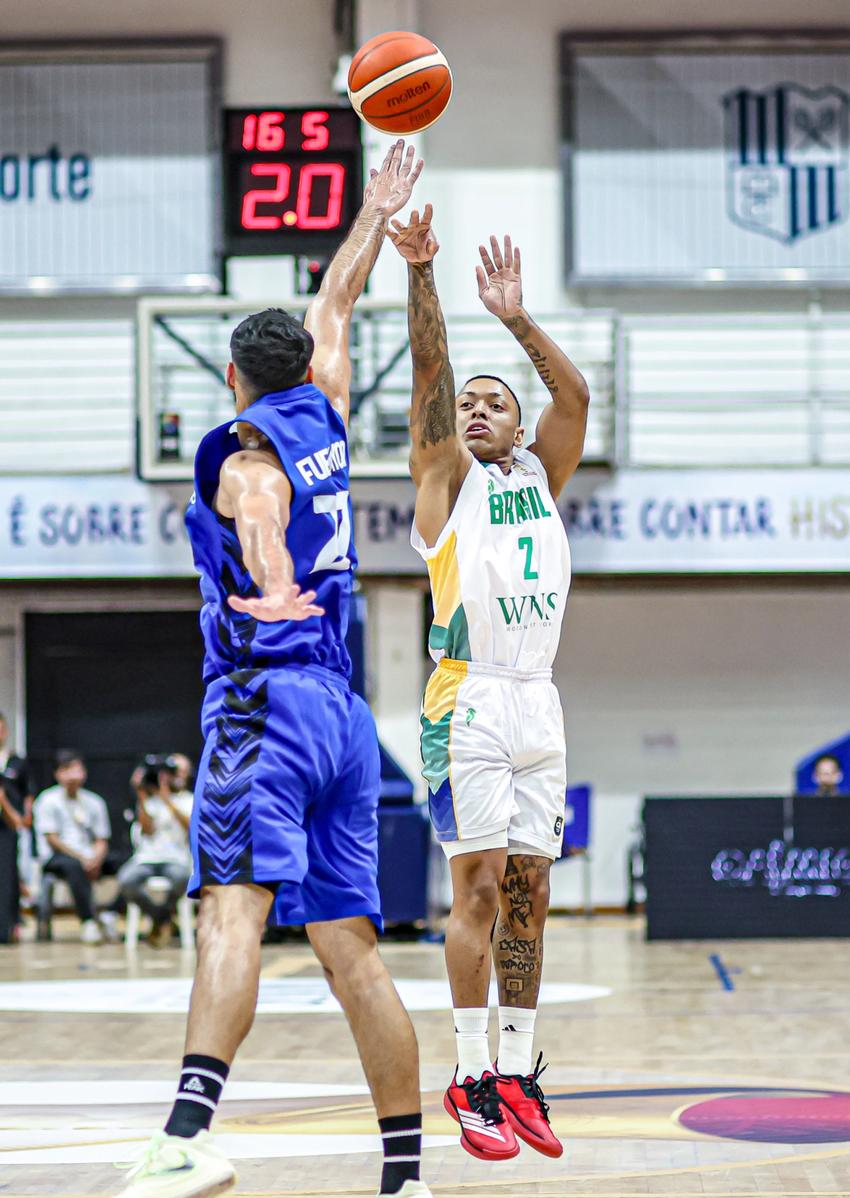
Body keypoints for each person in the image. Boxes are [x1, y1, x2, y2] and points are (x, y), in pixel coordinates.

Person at [117, 141, 430, 1198]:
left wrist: (272, 571)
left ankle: (188, 1136)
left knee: (229, 914)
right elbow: (338, 298)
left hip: (266, 701)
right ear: (304, 365)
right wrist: (375, 217)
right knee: (352, 951)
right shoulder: (328, 409)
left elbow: (258, 517)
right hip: (347, 716)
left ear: (231, 377)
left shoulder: (248, 453)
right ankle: (404, 1174)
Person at [389, 209, 589, 1161]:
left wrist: (516, 320)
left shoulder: (543, 478)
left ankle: (513, 1070)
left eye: (493, 401)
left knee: (530, 895)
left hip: (538, 698)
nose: (474, 409)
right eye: (467, 403)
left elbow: (576, 395)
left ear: (519, 423)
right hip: (464, 697)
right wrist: (424, 274)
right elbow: (430, 379)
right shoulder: (445, 483)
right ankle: (467, 1077)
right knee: (473, 894)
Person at [33, 750, 111, 944]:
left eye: (76, 770)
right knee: (73, 867)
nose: (72, 776)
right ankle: (88, 921)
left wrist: (96, 858)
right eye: (66, 770)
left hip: (89, 855)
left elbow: (102, 838)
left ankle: (111, 914)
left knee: (124, 865)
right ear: (57, 773)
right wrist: (84, 859)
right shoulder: (47, 800)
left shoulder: (94, 801)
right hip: (56, 857)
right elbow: (52, 839)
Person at [118, 756, 193, 947]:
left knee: (181, 878)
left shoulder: (188, 799)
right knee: (126, 880)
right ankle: (162, 917)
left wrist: (166, 799)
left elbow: (190, 827)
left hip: (176, 859)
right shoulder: (148, 802)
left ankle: (161, 918)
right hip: (147, 859)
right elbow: (147, 830)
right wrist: (141, 796)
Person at [0, 713, 32, 944]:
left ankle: (9, 924)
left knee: (8, 875)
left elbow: (28, 793)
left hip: (8, 825)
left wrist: (25, 815)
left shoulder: (16, 762)